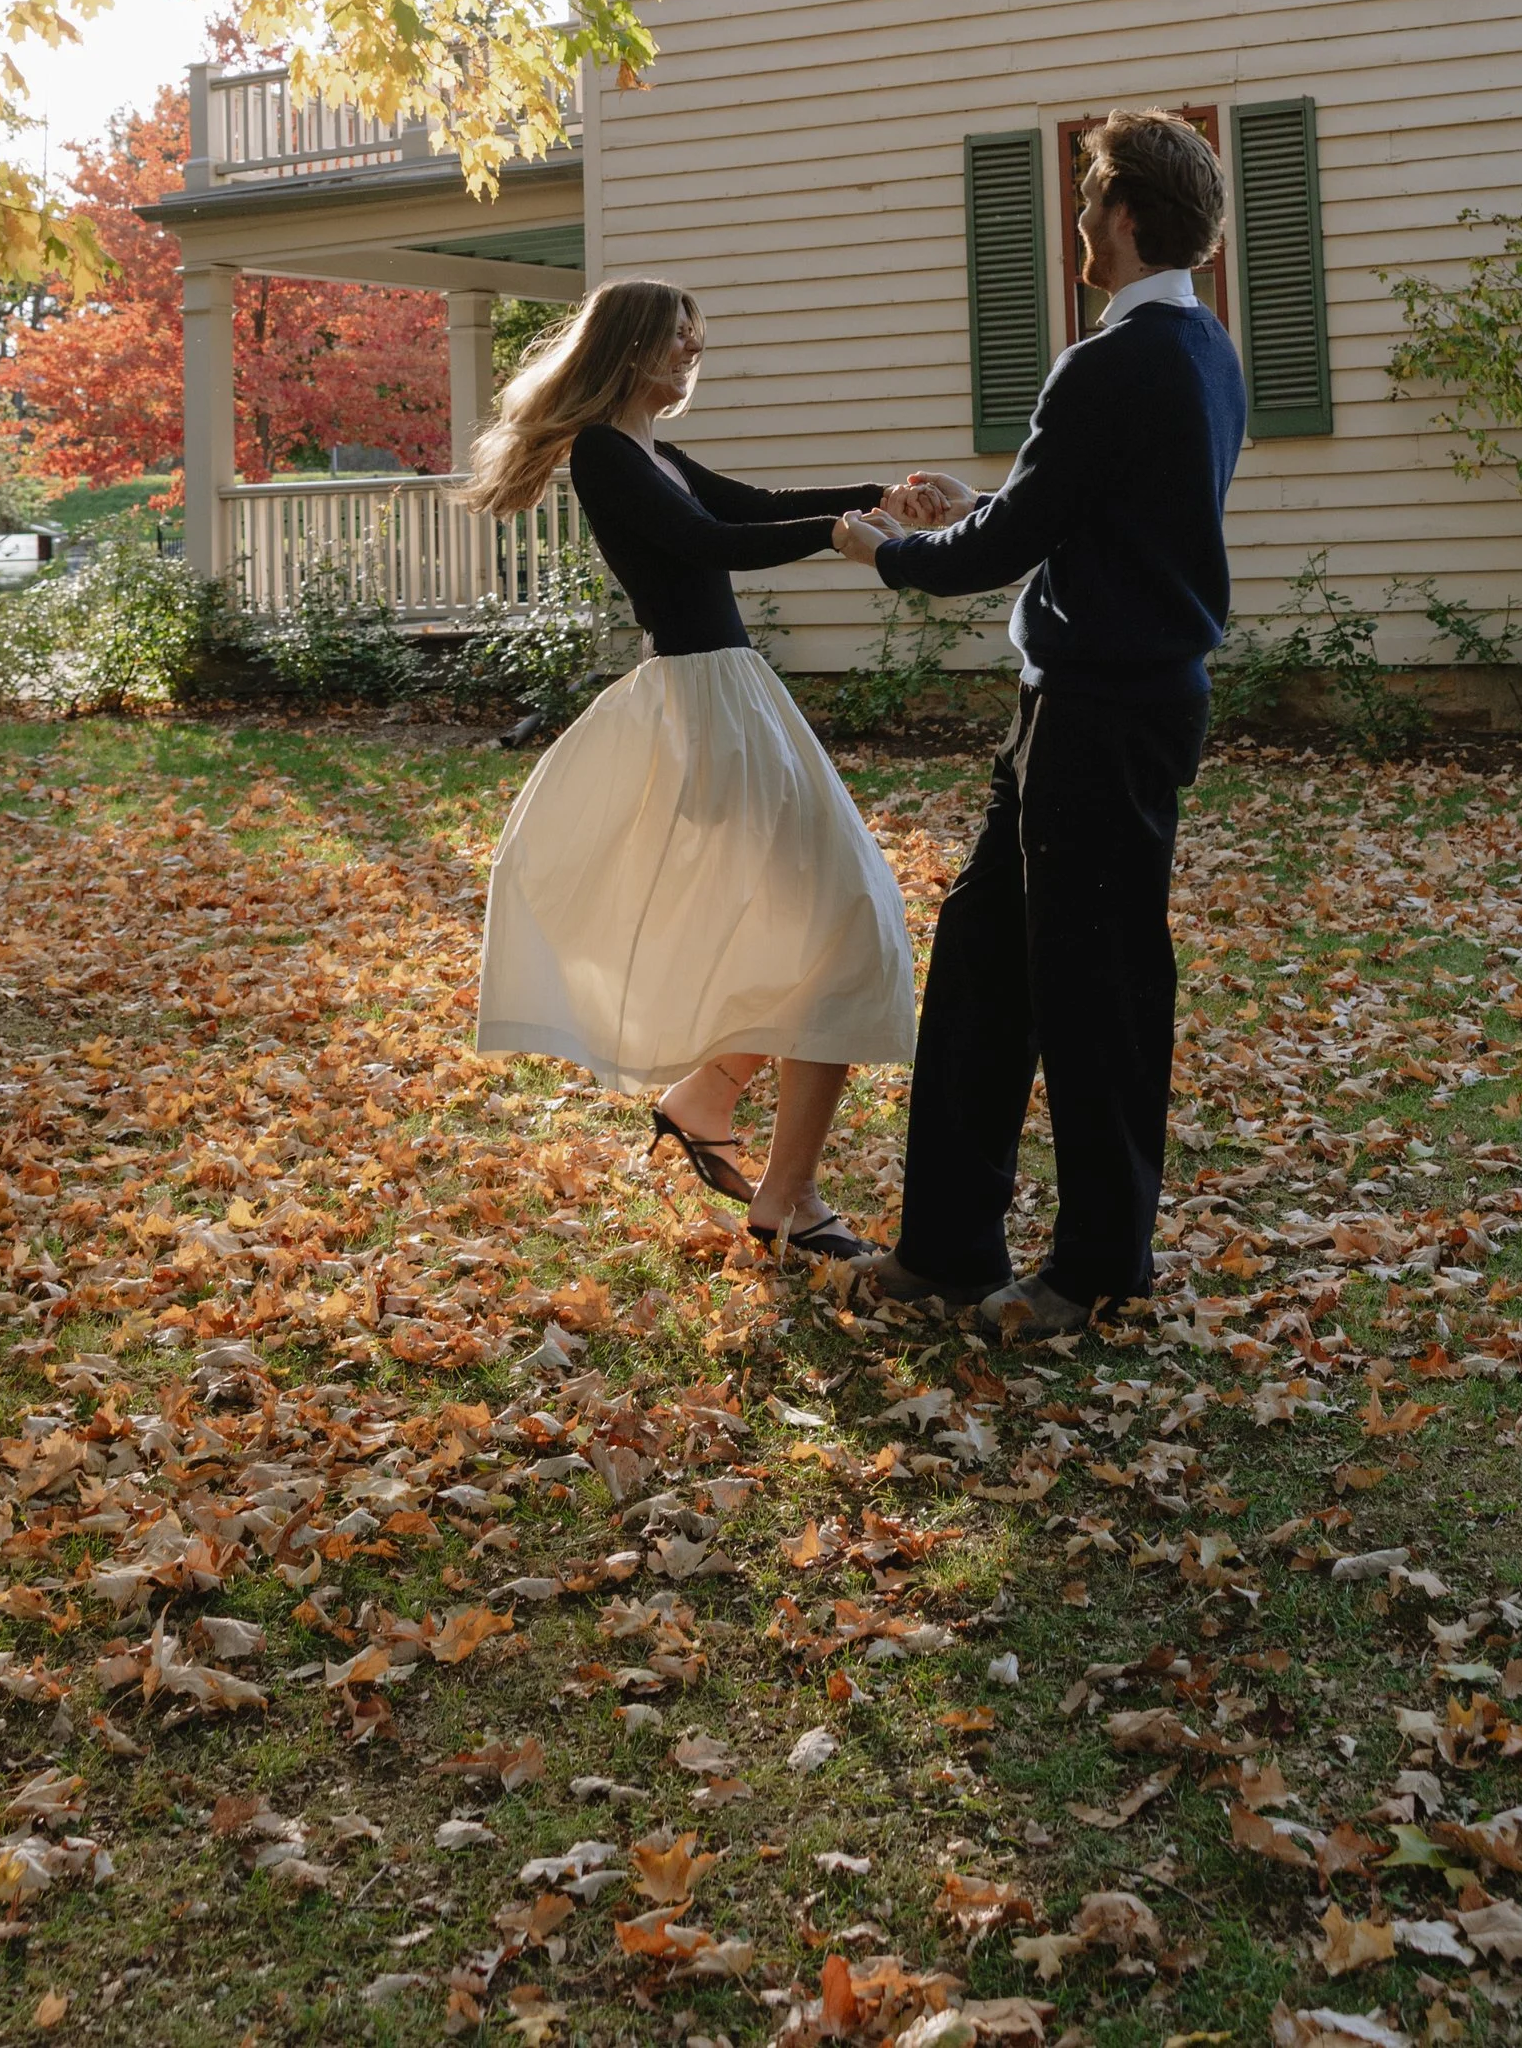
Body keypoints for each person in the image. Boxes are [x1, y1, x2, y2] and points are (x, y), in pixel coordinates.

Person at [832, 109, 1246, 1336]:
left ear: (1123, 217)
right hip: (1072, 715)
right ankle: (948, 1246)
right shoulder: (1199, 350)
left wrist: (893, 548)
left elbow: (1007, 549)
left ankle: (1095, 1268)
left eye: (1086, 201)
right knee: (979, 974)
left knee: (1098, 995)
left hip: (1102, 721)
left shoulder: (1116, 360)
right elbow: (1086, 516)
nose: (1075, 221)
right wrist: (984, 505)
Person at [469, 278, 934, 1263]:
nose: (692, 353)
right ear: (630, 344)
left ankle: (719, 1111)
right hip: (703, 709)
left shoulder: (653, 451)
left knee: (840, 926)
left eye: (697, 340)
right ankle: (780, 1189)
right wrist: (835, 537)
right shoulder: (603, 453)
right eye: (677, 338)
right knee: (848, 922)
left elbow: (749, 506)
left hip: (734, 700)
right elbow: (708, 543)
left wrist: (875, 500)